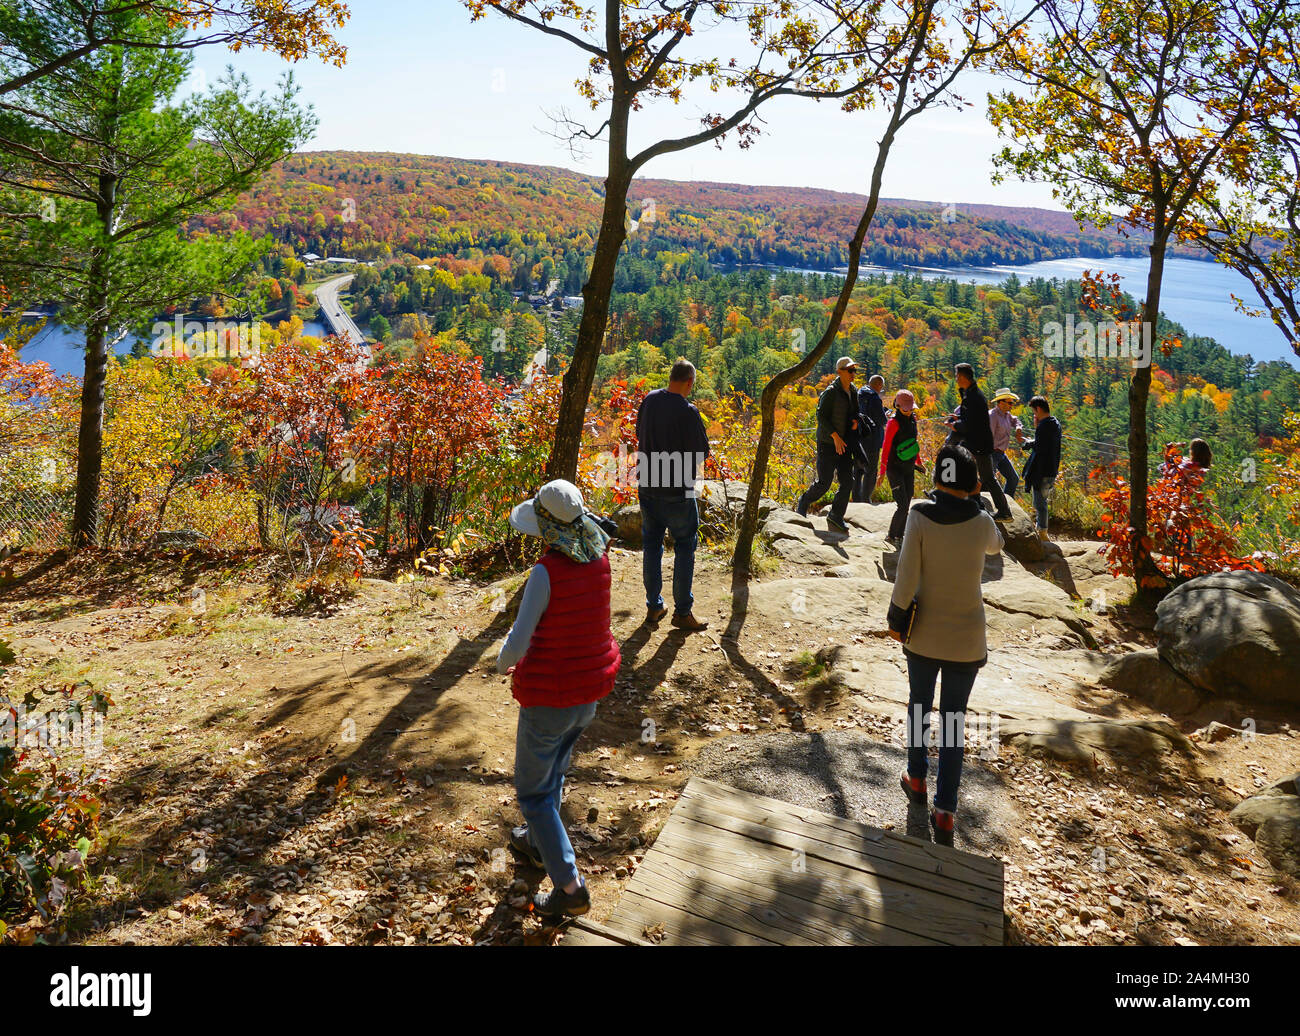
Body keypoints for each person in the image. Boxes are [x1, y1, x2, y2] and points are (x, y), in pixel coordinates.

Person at [497, 479, 622, 918]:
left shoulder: (545, 573)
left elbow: (518, 640)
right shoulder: (600, 557)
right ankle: (536, 843)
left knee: (533, 791)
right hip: (588, 693)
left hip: (550, 694)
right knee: (555, 771)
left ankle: (570, 889)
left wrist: (498, 663)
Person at [889, 444, 1004, 847]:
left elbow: (905, 574)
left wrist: (895, 619)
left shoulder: (919, 515)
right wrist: (980, 501)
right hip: (967, 639)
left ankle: (916, 778)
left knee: (919, 704)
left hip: (923, 633)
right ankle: (946, 812)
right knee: (954, 722)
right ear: (972, 483)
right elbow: (997, 546)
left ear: (937, 478)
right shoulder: (982, 522)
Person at [636, 358, 710, 631]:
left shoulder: (650, 400)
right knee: (684, 547)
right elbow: (701, 452)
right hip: (678, 490)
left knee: (652, 545)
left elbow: (638, 433)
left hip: (647, 485)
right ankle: (682, 612)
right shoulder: (688, 411)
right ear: (689, 382)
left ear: (671, 377)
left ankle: (654, 606)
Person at [796, 356, 860, 534]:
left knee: (848, 481)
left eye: (854, 370)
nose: (853, 373)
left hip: (845, 442)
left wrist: (855, 422)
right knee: (825, 482)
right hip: (827, 442)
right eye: (850, 370)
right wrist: (835, 437)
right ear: (840, 372)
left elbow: (855, 412)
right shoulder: (831, 392)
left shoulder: (853, 390)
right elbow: (821, 416)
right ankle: (804, 501)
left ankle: (836, 515)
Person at [944, 363, 1012, 521]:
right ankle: (975, 502)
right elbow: (971, 419)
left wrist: (954, 425)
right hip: (976, 443)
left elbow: (970, 425)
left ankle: (1002, 511)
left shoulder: (973, 397)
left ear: (962, 377)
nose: (956, 380)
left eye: (957, 377)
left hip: (978, 444)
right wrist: (958, 419)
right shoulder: (971, 394)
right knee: (966, 469)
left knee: (986, 477)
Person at [876, 388, 926, 545]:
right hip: (894, 469)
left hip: (908, 467)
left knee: (908, 500)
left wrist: (919, 461)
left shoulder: (913, 420)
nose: (910, 410)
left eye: (911, 407)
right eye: (907, 408)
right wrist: (882, 472)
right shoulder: (893, 423)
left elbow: (913, 443)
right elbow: (886, 447)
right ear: (897, 406)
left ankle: (899, 536)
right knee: (902, 504)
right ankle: (892, 535)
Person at [1021, 395, 1062, 542]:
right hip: (1052, 469)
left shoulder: (1043, 426)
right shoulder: (1055, 423)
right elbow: (1044, 443)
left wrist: (1036, 429)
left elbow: (1039, 448)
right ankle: (1041, 528)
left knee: (1040, 502)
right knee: (1042, 500)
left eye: (1034, 411)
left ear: (1038, 409)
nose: (1034, 415)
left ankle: (1043, 532)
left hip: (1042, 471)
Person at [854, 374, 887, 502]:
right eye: (881, 387)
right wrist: (887, 415)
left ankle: (856, 498)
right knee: (871, 470)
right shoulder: (874, 398)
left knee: (857, 469)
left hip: (859, 437)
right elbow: (881, 419)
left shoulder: (859, 393)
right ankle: (865, 499)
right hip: (872, 439)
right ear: (878, 385)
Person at [988, 388, 1026, 499]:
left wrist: (1018, 428)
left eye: (1012, 402)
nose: (1012, 405)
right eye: (1010, 402)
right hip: (992, 453)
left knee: (1013, 478)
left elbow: (1016, 420)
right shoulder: (992, 416)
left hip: (1001, 454)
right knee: (988, 481)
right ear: (1000, 402)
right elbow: (988, 437)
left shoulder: (1007, 415)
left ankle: (1006, 503)